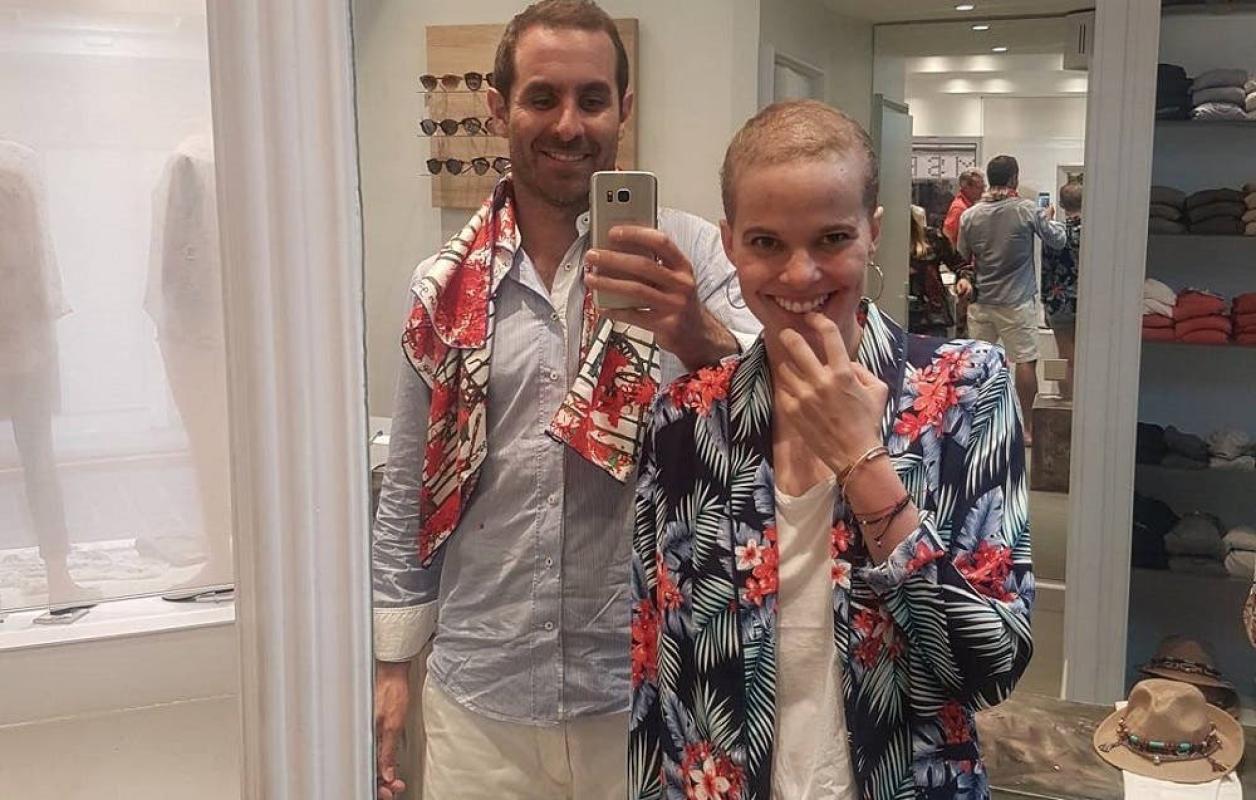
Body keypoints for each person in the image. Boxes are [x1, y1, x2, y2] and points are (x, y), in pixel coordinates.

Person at [370, 2, 760, 799]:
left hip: (648, 688)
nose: (569, 125)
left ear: (624, 107)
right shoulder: (443, 287)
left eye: (592, 99)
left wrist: (695, 332)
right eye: (542, 97)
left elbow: (775, 424)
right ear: (498, 107)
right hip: (482, 698)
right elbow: (410, 486)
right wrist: (390, 664)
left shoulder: (690, 256)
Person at [628, 100, 1033, 800]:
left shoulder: (967, 391)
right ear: (729, 244)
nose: (800, 274)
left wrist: (862, 463)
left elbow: (991, 669)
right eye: (766, 242)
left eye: (832, 238)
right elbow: (653, 670)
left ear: (873, 232)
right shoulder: (683, 420)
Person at [955, 155, 1066, 445]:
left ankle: (975, 428)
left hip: (981, 302)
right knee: (1025, 361)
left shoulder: (970, 215)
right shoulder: (1025, 209)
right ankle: (1026, 428)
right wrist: (1049, 217)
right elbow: (1058, 240)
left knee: (978, 364)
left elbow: (962, 255)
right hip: (1017, 302)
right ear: (1014, 178)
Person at [1041, 180, 1083, 400]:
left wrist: (1045, 302)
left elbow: (1046, 269)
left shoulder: (1054, 233)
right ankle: (1086, 402)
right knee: (1089, 356)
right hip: (1088, 300)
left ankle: (1067, 403)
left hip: (1059, 300)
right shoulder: (1095, 232)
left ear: (1062, 204)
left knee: (1064, 356)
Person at [908, 204, 963, 337]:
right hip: (897, 313)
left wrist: (964, 279)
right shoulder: (888, 244)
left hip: (931, 316)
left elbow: (959, 264)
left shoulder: (933, 238)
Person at [942, 168, 984, 248]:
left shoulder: (968, 206)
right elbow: (948, 236)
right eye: (979, 187)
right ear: (966, 187)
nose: (983, 191)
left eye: (983, 187)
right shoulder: (959, 209)